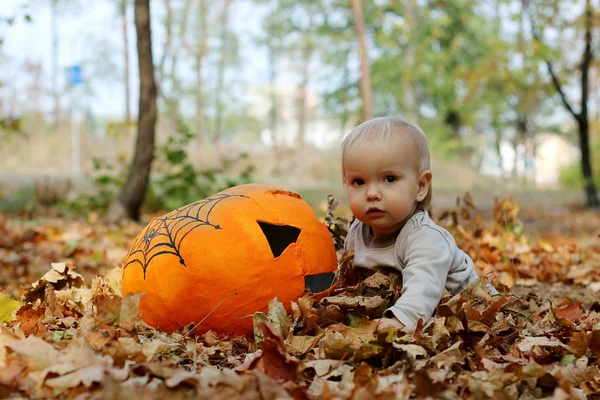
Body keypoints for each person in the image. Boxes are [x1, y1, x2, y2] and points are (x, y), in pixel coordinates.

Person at [341, 116, 487, 332]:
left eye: (389, 179)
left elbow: (424, 286)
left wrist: (403, 320)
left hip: (466, 310)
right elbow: (350, 279)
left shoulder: (425, 238)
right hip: (400, 304)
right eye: (359, 182)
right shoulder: (356, 233)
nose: (372, 193)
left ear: (420, 186)